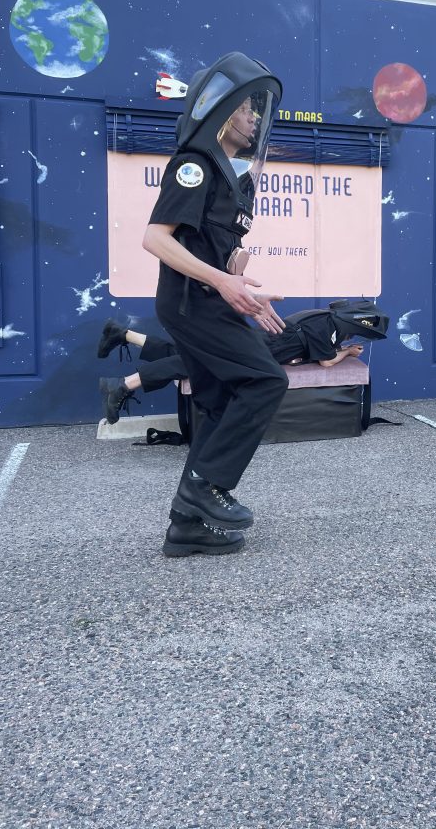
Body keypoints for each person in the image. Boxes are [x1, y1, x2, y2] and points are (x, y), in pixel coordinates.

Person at [141, 51, 289, 558]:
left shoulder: (233, 179)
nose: (254, 120)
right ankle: (205, 489)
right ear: (224, 113)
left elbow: (221, 257)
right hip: (190, 303)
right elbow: (155, 239)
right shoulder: (194, 167)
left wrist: (245, 290)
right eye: (248, 110)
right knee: (267, 380)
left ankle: (186, 527)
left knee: (218, 402)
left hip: (210, 300)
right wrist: (223, 286)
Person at [96, 313, 370, 425]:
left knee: (182, 354)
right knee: (192, 363)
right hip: (251, 350)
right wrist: (346, 352)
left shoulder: (320, 319)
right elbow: (326, 362)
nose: (347, 340)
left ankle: (121, 334)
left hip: (251, 340)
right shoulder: (326, 332)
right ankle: (122, 385)